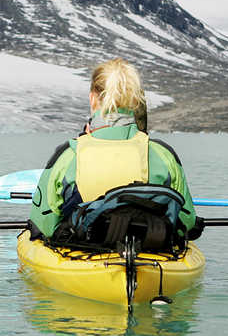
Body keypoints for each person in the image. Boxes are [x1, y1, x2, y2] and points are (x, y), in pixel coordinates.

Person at [28, 58, 200, 251]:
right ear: (136, 100)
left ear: (93, 98)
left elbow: (43, 222)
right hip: (150, 249)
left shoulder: (68, 155)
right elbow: (187, 220)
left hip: (83, 251)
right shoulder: (164, 155)